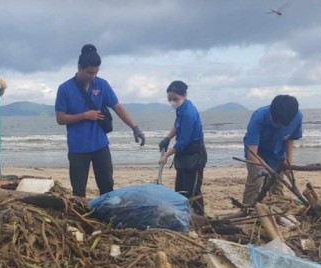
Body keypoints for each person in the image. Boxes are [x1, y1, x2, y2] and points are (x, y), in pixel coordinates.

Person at [55, 44, 146, 197]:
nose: (93, 76)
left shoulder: (101, 84)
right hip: (78, 148)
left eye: (96, 72)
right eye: (89, 72)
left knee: (107, 187)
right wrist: (84, 116)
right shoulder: (65, 88)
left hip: (100, 145)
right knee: (78, 192)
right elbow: (60, 118)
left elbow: (117, 107)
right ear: (79, 67)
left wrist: (134, 127)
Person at [242, 95, 302, 205]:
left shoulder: (296, 117)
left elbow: (290, 138)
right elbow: (252, 150)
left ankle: (277, 209)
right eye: (276, 122)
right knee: (255, 182)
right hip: (257, 152)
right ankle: (247, 209)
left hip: (277, 153)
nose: (278, 126)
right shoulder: (258, 117)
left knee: (277, 183)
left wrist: (288, 160)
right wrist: (260, 168)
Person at [157, 81, 207, 214]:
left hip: (194, 154)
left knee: (193, 190)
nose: (172, 102)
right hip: (183, 155)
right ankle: (183, 215)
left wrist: (166, 155)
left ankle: (199, 216)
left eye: (175, 99)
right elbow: (177, 125)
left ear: (184, 95)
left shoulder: (189, 113)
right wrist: (167, 138)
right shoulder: (181, 108)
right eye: (170, 99)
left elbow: (183, 142)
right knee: (180, 188)